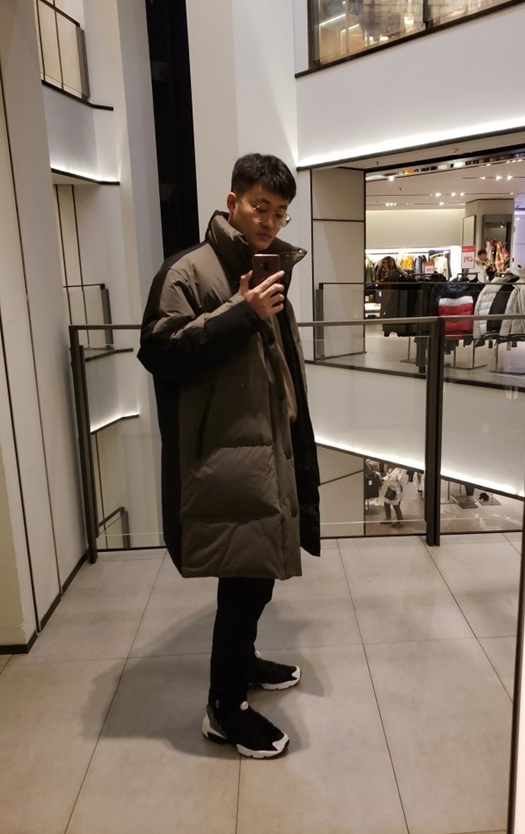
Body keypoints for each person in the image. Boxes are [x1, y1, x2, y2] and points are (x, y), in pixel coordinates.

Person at [138, 153, 320, 759]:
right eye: (260, 207)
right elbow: (161, 352)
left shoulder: (267, 268)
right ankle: (224, 708)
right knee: (243, 584)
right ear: (233, 201)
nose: (269, 221)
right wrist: (241, 312)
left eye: (280, 212)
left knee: (257, 576)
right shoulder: (188, 271)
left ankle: (243, 665)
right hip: (226, 453)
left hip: (268, 445)